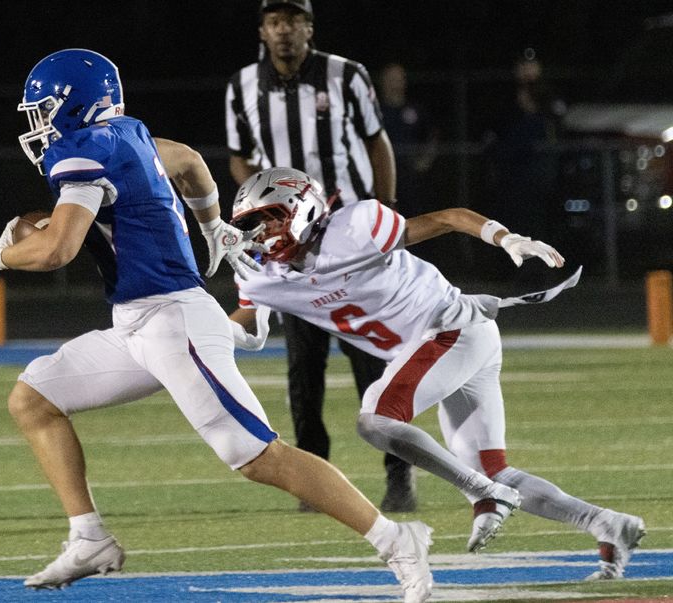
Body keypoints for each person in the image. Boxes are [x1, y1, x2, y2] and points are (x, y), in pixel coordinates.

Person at [0, 49, 435, 602]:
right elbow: (189, 161)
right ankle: (89, 538)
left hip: (173, 322)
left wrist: (4, 254)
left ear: (74, 104)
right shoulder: (128, 133)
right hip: (138, 323)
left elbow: (57, 250)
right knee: (33, 399)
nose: (40, 123)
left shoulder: (82, 150)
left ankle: (398, 540)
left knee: (258, 456)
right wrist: (213, 223)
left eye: (44, 109)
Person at [227, 167, 646, 580]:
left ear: (301, 209)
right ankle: (608, 524)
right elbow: (241, 320)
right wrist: (200, 342)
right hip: (450, 343)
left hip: (451, 328)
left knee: (377, 419)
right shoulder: (263, 277)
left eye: (268, 219)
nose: (260, 234)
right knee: (494, 471)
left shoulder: (355, 226)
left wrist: (506, 238)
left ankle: (481, 493)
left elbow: (448, 218)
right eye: (252, 225)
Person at [225, 0, 417, 513]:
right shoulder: (242, 86)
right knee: (303, 369)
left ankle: (399, 472)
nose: (283, 30)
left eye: (293, 21)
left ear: (309, 28)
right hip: (292, 247)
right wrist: (262, 205)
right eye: (274, 22)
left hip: (347, 237)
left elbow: (377, 141)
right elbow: (239, 155)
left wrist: (385, 208)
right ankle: (316, 482)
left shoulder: (345, 75)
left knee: (372, 359)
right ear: (262, 31)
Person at [480, 48, 567, 290]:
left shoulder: (548, 97)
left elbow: (557, 126)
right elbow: (494, 134)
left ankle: (544, 272)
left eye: (532, 65)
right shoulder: (506, 99)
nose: (527, 71)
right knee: (516, 225)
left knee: (542, 225)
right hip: (513, 177)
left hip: (543, 176)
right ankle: (519, 273)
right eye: (523, 66)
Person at [377, 62, 439, 216]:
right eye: (391, 78)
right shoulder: (374, 110)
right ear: (383, 81)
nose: (395, 83)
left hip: (411, 176)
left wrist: (425, 160)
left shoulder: (416, 109)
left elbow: (432, 135)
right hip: (382, 175)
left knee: (414, 216)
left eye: (399, 78)